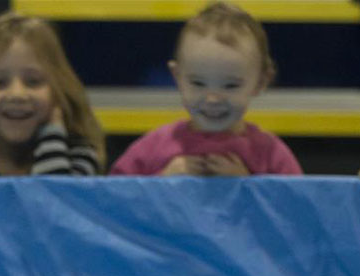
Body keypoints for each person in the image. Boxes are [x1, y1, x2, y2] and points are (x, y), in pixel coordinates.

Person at [109, 2, 302, 177]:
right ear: (177, 77)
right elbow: (113, 202)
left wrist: (248, 185)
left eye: (231, 85)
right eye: (198, 84)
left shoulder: (271, 155)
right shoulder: (151, 150)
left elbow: (296, 211)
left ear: (260, 82)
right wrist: (161, 182)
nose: (212, 98)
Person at [0, 12, 104, 176]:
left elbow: (55, 204)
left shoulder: (78, 153)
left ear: (58, 91)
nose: (17, 94)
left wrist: (53, 133)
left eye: (33, 82)